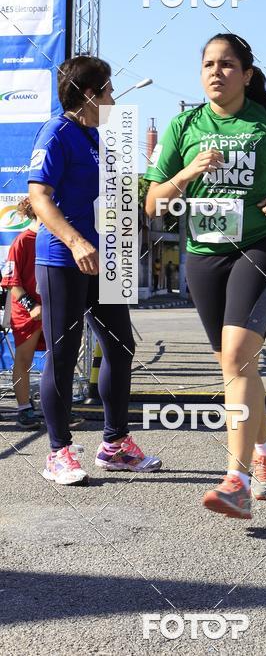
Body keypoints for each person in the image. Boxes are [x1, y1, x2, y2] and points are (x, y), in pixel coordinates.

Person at [145, 33, 266, 519]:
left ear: (246, 74)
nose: (216, 72)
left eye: (227, 65)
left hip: (264, 244)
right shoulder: (185, 126)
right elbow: (154, 202)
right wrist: (186, 174)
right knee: (235, 367)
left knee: (239, 356)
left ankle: (236, 479)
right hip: (205, 253)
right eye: (208, 64)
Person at [28, 56, 161, 485]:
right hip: (63, 259)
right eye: (108, 91)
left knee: (120, 347)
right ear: (90, 95)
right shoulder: (57, 132)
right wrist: (76, 240)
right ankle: (58, 452)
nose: (113, 98)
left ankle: (115, 444)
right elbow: (40, 195)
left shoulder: (96, 137)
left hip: (105, 262)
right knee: (63, 357)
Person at [0, 198, 45, 428]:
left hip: (52, 307)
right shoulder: (22, 241)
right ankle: (24, 408)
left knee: (59, 359)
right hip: (28, 312)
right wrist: (32, 306)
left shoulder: (57, 240)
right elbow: (11, 282)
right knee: (24, 358)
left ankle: (57, 407)